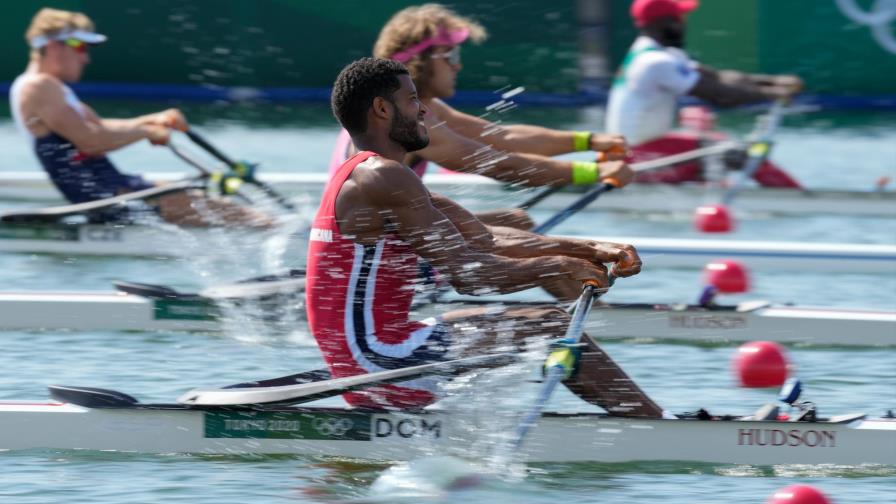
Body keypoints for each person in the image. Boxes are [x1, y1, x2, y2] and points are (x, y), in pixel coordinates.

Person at [306, 57, 666, 419]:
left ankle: (647, 422)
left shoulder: (379, 175)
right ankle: (657, 427)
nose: (424, 110)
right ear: (383, 109)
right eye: (413, 99)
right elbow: (471, 276)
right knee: (552, 325)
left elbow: (486, 239)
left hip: (373, 355)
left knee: (538, 316)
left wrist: (591, 249)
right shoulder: (382, 178)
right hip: (378, 363)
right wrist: (561, 266)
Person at [329, 3, 633, 229]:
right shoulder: (408, 120)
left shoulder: (418, 107)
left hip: (392, 234)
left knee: (516, 221)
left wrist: (590, 140)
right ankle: (587, 313)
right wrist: (592, 173)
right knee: (519, 229)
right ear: (420, 60)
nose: (458, 66)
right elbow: (499, 164)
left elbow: (504, 138)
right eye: (452, 56)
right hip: (383, 254)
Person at [10, 8, 269, 227]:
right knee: (235, 215)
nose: (86, 58)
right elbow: (90, 141)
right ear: (54, 46)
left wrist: (152, 119)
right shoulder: (38, 86)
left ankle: (282, 230)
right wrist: (146, 132)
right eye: (81, 47)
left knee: (209, 203)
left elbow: (98, 127)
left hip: (115, 185)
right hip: (106, 197)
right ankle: (290, 238)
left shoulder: (50, 88)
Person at [606, 0, 804, 188]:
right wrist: (773, 95)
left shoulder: (653, 53)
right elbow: (721, 95)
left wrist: (774, 82)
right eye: (678, 18)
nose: (684, 24)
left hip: (642, 151)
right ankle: (800, 202)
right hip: (637, 160)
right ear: (664, 23)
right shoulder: (655, 62)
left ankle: (710, 199)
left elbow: (719, 77)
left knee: (718, 145)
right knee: (735, 153)